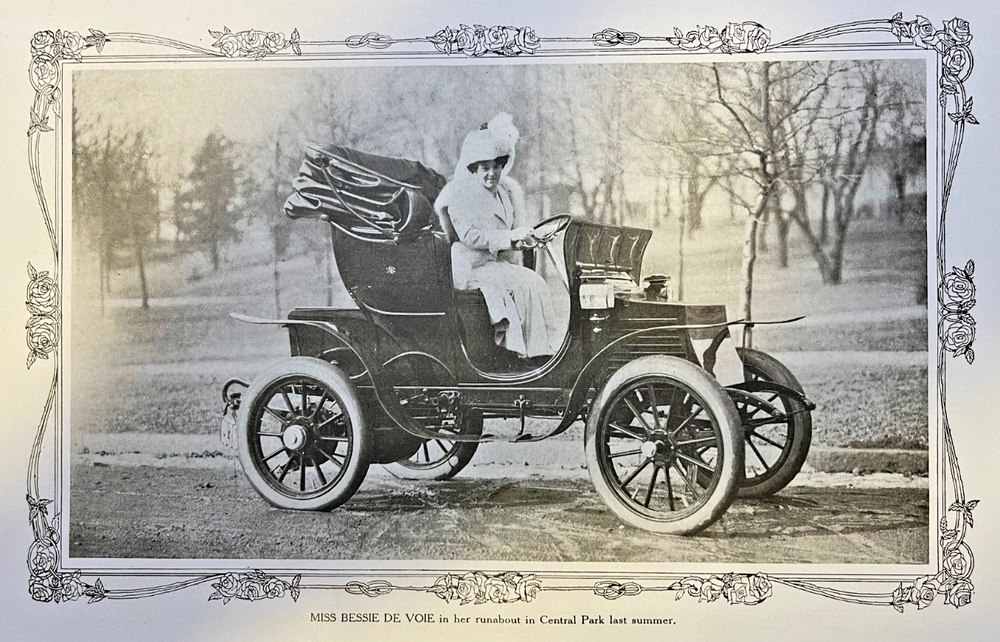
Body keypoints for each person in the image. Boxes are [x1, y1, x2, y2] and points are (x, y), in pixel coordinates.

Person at [434, 113, 557, 359]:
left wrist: (525, 239)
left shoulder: (504, 193)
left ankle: (539, 352)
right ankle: (517, 354)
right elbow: (470, 237)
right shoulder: (459, 196)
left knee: (536, 283)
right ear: (474, 170)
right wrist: (510, 237)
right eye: (485, 169)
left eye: (496, 168)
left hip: (493, 264)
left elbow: (509, 231)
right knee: (519, 286)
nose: (491, 174)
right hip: (470, 267)